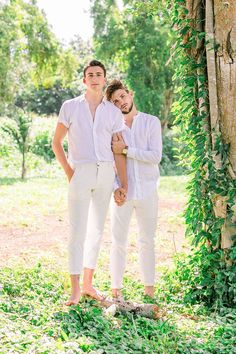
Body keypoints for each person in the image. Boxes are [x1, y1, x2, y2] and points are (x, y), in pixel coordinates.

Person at [52, 61, 127, 306]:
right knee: (77, 232)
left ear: (104, 80)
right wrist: (70, 173)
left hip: (105, 173)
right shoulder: (70, 107)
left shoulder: (113, 113)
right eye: (90, 75)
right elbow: (57, 143)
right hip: (80, 172)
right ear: (84, 80)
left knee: (96, 231)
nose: (94, 78)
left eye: (99, 75)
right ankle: (74, 289)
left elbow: (118, 151)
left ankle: (87, 284)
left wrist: (120, 182)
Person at [106, 79, 162, 299]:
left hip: (148, 191)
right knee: (118, 241)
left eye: (122, 96)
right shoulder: (113, 130)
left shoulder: (151, 122)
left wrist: (127, 150)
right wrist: (114, 188)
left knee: (147, 241)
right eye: (115, 101)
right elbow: (109, 161)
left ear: (130, 94)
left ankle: (149, 291)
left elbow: (155, 157)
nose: (120, 102)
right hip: (123, 193)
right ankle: (116, 291)